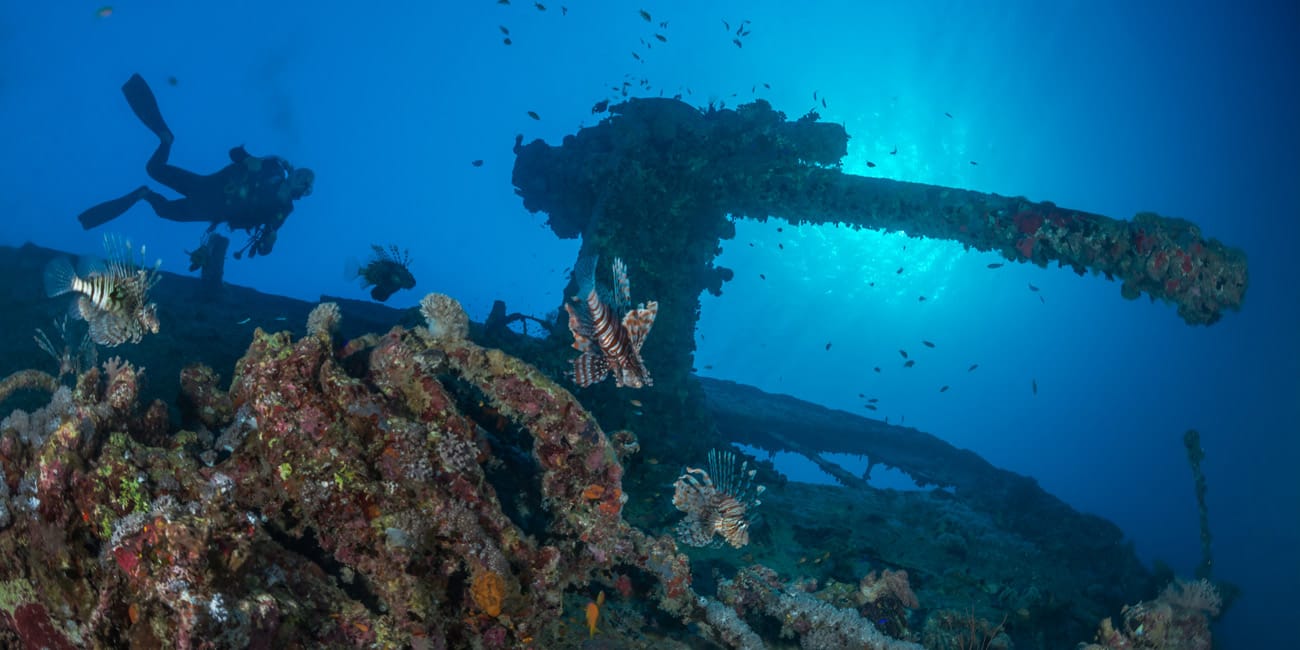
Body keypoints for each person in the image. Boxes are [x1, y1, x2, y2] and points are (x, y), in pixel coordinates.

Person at [77, 73, 314, 258]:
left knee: (164, 210)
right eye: (302, 173)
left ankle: (145, 194)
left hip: (210, 209)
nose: (301, 177)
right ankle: (165, 143)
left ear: (303, 191)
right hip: (206, 188)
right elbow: (234, 153)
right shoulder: (272, 167)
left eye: (306, 180)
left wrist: (269, 243)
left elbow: (263, 245)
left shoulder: (283, 209)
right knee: (154, 170)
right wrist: (247, 158)